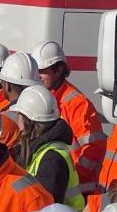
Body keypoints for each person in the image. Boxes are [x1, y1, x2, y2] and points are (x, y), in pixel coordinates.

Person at [32, 41, 105, 195]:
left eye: (42, 71)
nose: (37, 75)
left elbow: (94, 148)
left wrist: (73, 176)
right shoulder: (46, 97)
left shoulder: (77, 103)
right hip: (55, 180)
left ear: (58, 70)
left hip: (77, 190)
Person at [11, 85, 81, 210]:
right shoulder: (38, 150)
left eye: (19, 117)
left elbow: (44, 208)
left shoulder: (52, 159)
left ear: (28, 122)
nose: (18, 123)